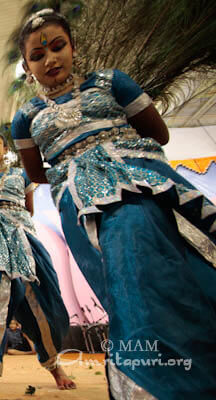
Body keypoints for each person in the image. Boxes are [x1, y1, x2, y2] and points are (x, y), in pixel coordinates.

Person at [11, 8, 216, 399]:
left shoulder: (111, 82)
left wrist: (112, 151)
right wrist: (79, 166)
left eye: (58, 47)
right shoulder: (26, 118)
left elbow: (158, 132)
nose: (50, 59)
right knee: (126, 274)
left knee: (167, 260)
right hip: (82, 202)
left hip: (141, 183)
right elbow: (37, 173)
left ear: (74, 47)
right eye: (38, 56)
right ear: (27, 65)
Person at [0, 129, 75, 400]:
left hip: (22, 238)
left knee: (43, 303)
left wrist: (9, 219)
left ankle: (54, 366)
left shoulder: (21, 175)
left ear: (5, 147)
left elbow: (29, 209)